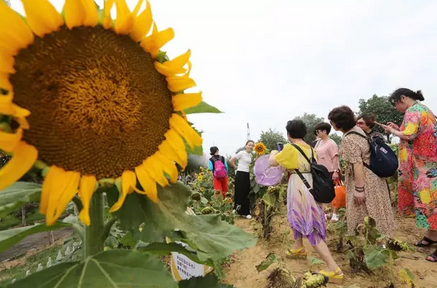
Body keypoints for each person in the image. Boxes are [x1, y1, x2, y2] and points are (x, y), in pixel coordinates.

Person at [269, 120, 343, 284]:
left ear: (288, 134)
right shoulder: (310, 148)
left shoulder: (290, 148)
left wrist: (274, 153)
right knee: (297, 217)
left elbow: (273, 163)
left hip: (299, 187)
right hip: (310, 185)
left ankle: (333, 268)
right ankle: (298, 247)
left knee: (309, 226)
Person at [383, 88, 437, 262]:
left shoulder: (412, 111)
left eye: (396, 104)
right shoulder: (424, 110)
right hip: (429, 162)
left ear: (403, 98)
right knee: (430, 203)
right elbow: (417, 135)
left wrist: (393, 132)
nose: (396, 108)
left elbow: (409, 134)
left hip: (424, 165)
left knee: (430, 203)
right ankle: (432, 236)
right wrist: (398, 128)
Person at [328, 106, 395, 238]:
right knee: (377, 209)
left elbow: (357, 164)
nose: (332, 124)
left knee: (363, 211)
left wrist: (359, 189)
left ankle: (367, 243)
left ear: (339, 123)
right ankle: (382, 241)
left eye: (332, 121)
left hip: (364, 179)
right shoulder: (357, 130)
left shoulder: (349, 138)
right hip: (374, 177)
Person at [314, 122, 341, 222]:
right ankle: (325, 212)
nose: (316, 133)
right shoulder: (319, 142)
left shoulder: (331, 143)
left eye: (318, 131)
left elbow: (335, 157)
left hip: (330, 171)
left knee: (334, 192)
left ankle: (335, 213)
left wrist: (335, 171)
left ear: (325, 131)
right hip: (320, 171)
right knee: (323, 192)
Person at [229, 140, 254, 219]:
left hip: (246, 174)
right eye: (249, 145)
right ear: (246, 145)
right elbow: (231, 160)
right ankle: (236, 209)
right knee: (239, 191)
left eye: (252, 145)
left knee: (246, 192)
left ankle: (246, 212)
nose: (250, 147)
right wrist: (235, 168)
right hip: (240, 173)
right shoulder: (241, 153)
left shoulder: (251, 155)